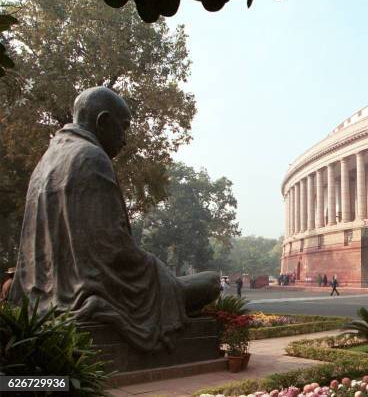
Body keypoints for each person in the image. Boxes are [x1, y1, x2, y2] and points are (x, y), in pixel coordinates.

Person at [7, 87, 220, 352]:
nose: (125, 138)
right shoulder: (91, 157)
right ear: (103, 122)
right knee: (210, 282)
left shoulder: (46, 162)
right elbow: (114, 248)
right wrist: (158, 271)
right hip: (99, 290)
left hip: (43, 297)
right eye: (124, 127)